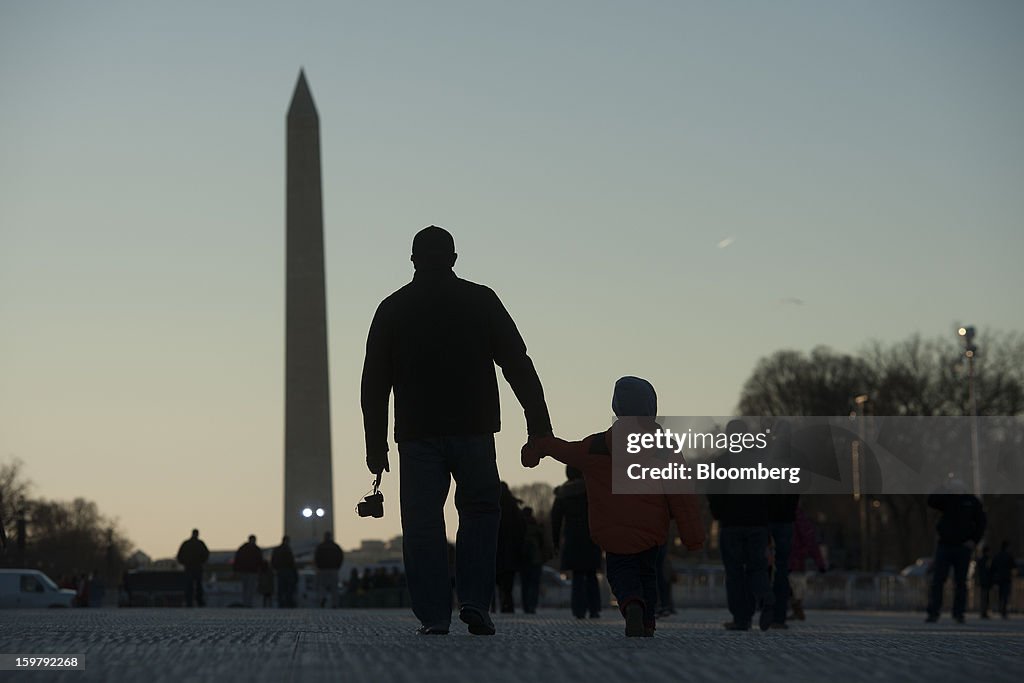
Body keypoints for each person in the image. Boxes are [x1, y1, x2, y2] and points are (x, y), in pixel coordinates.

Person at [360, 226, 553, 636]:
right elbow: (518, 362)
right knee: (481, 514)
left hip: (417, 434)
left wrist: (375, 447)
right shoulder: (480, 300)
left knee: (422, 521)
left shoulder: (393, 308)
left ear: (413, 260)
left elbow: (373, 386)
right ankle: (474, 602)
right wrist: (538, 425)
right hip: (475, 429)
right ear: (453, 257)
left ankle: (433, 615)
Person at [522, 376, 705, 637]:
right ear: (651, 409)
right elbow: (682, 495)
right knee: (647, 574)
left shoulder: (597, 446)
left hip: (612, 531)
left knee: (621, 573)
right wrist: (693, 536)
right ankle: (648, 621)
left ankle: (631, 603)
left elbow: (565, 450)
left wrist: (538, 446)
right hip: (651, 530)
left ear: (616, 408)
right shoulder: (665, 448)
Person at [706, 420, 775, 632]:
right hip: (757, 523)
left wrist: (719, 515)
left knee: (734, 572)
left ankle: (741, 618)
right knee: (757, 567)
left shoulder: (721, 462)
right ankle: (766, 598)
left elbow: (713, 494)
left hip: (731, 523)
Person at [925, 481, 986, 624]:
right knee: (938, 580)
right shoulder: (947, 499)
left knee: (960, 582)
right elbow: (931, 501)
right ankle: (933, 612)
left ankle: (959, 613)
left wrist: (974, 541)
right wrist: (941, 486)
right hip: (945, 545)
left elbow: (981, 522)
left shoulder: (972, 501)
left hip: (963, 547)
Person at [551, 466, 603, 619]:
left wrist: (555, 542)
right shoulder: (592, 490)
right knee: (592, 574)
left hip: (573, 537)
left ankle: (578, 609)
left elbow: (556, 520)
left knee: (577, 575)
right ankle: (594, 609)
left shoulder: (562, 493)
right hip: (591, 536)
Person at [787, 506, 827, 621]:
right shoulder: (799, 516)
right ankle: (794, 607)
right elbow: (810, 540)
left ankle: (792, 609)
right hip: (795, 560)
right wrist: (820, 563)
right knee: (795, 586)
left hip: (789, 559)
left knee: (792, 585)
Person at [495, 482, 526, 613]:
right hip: (512, 552)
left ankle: (495, 605)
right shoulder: (515, 509)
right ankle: (507, 604)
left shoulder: (495, 507)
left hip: (496, 551)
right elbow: (522, 530)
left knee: (497, 580)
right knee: (508, 584)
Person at [520, 506, 547, 614]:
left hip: (523, 559)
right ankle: (532, 606)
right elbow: (544, 543)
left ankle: (526, 606)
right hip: (536, 559)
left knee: (525, 584)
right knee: (534, 584)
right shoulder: (536, 526)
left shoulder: (519, 526)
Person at [176, 528, 210, 608]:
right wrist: (201, 562)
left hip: (189, 567)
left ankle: (189, 602)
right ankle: (199, 602)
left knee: (189, 585)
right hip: (197, 567)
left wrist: (185, 563)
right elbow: (206, 554)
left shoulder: (186, 543)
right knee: (198, 585)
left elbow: (180, 555)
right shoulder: (200, 543)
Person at [314, 531, 344, 608]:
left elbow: (316, 557)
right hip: (333, 569)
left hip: (323, 570)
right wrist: (337, 566)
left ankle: (323, 599)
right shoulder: (336, 547)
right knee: (334, 588)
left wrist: (318, 567)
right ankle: (334, 604)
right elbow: (340, 557)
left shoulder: (320, 547)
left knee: (322, 586)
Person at [233, 535, 263, 608]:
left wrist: (236, 569)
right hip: (251, 571)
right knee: (249, 588)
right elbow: (260, 561)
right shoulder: (256, 549)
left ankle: (246, 603)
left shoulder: (243, 548)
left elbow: (237, 559)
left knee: (246, 588)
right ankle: (248, 603)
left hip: (246, 571)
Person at [990, 541, 1016, 619]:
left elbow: (992, 567)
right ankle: (1003, 610)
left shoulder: (997, 556)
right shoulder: (1009, 556)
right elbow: (1013, 566)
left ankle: (999, 608)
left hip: (998, 578)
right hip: (1006, 578)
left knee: (1000, 595)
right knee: (1005, 595)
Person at [271, 536, 298, 608]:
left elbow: (273, 560)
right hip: (288, 570)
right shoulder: (288, 549)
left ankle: (281, 603)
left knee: (281, 588)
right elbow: (291, 561)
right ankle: (288, 602)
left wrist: (275, 568)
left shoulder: (277, 549)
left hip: (280, 570)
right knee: (289, 588)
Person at [975, 545, 993, 618]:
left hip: (983, 581)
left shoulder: (981, 560)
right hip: (986, 581)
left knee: (984, 597)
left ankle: (983, 611)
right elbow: (990, 570)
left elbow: (978, 571)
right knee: (985, 597)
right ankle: (984, 612)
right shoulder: (987, 560)